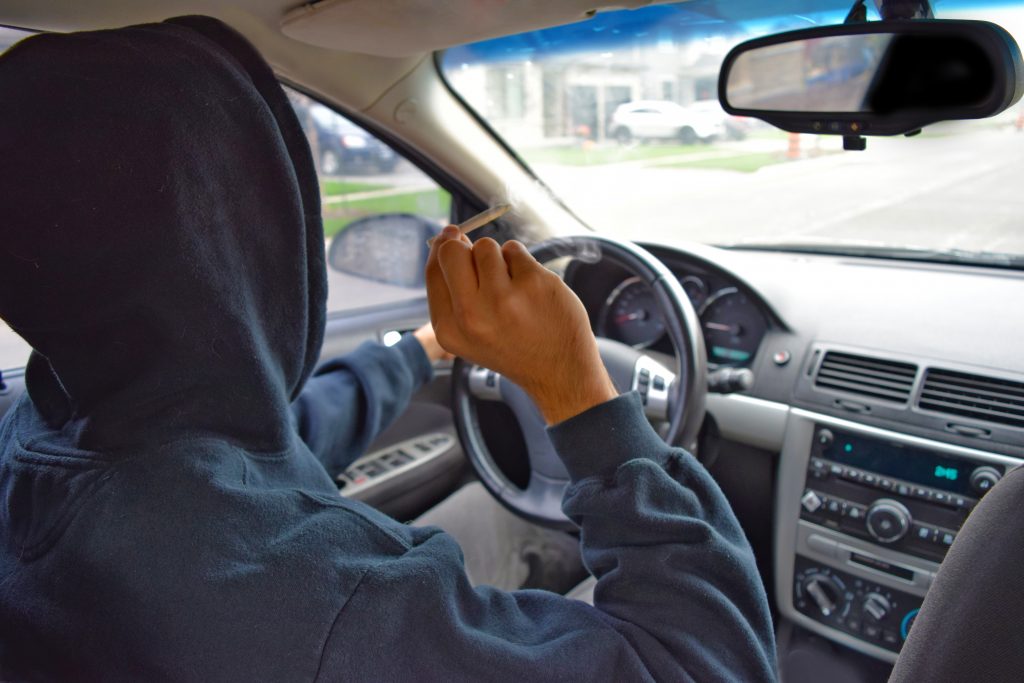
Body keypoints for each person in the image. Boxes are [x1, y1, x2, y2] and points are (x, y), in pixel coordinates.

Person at [0, 16, 777, 682]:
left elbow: (267, 439)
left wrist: (422, 349)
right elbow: (701, 660)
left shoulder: (45, 428)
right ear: (252, 241)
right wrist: (577, 386)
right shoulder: (306, 599)